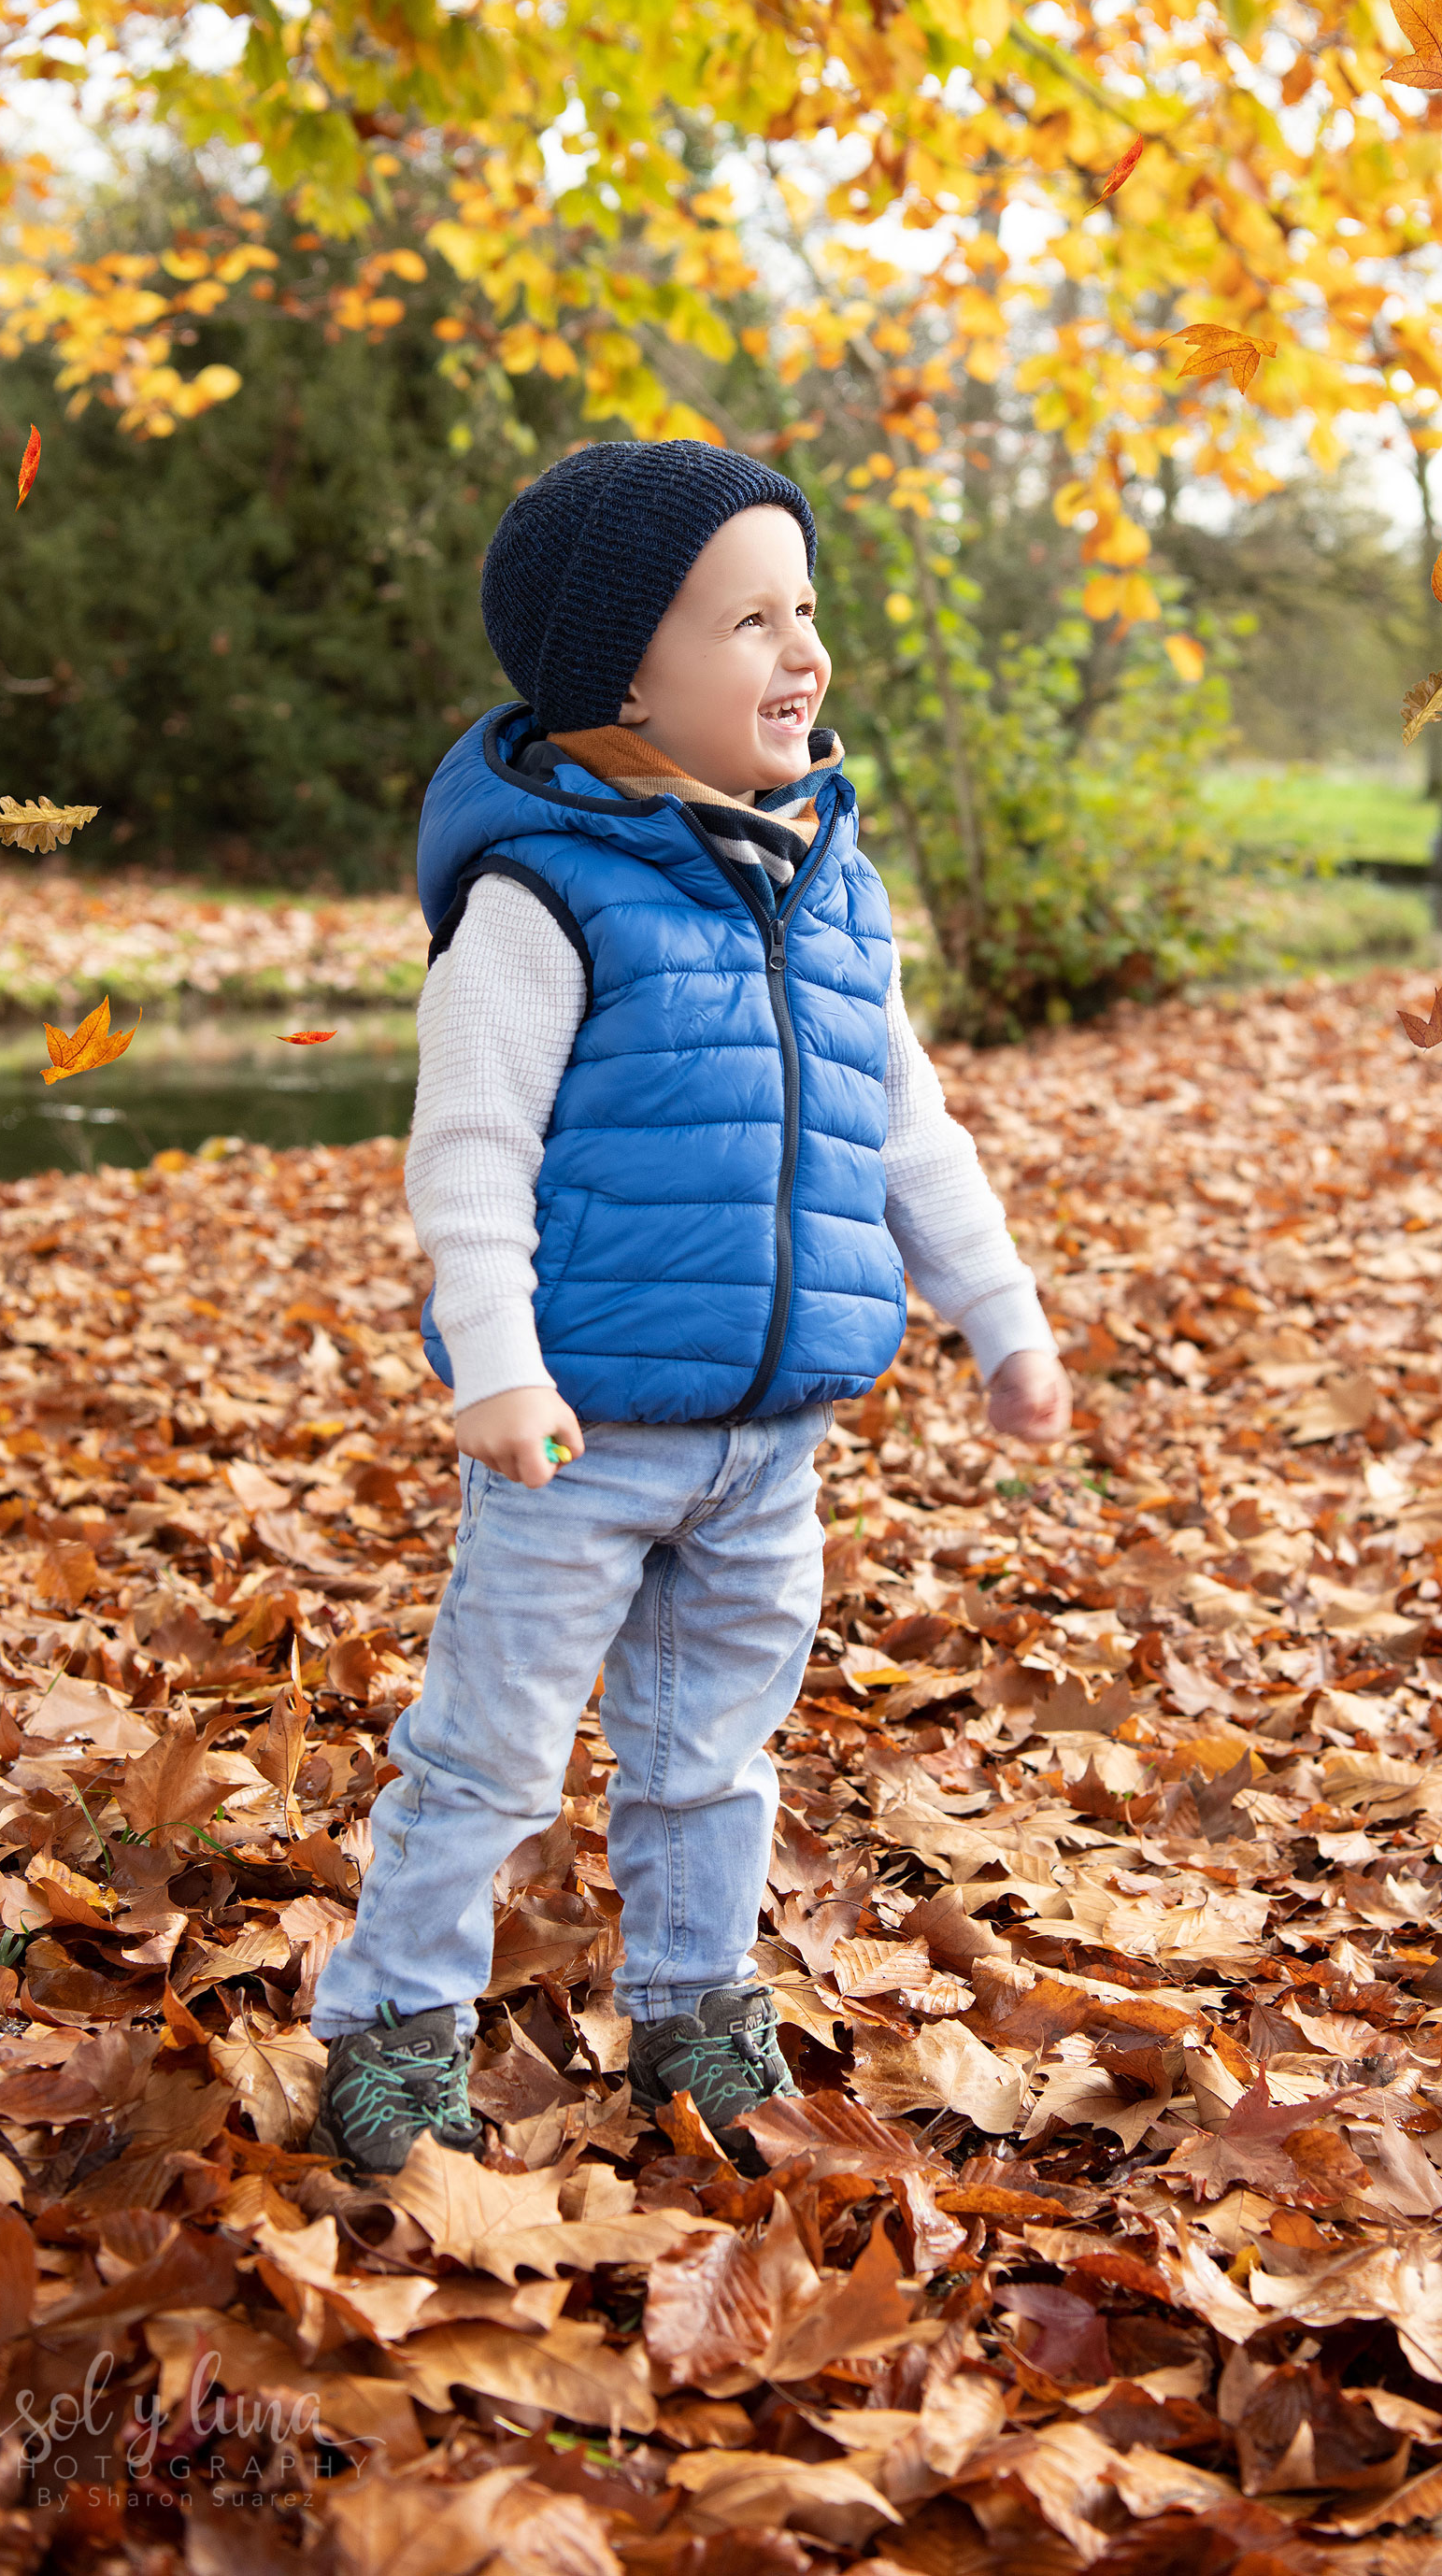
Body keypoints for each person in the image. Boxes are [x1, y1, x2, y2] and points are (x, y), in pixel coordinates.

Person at [309, 438, 1070, 2174]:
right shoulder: (541, 894)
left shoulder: (828, 885)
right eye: (748, 618)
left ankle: (695, 2005)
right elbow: (473, 1145)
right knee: (492, 1750)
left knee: (713, 1750)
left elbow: (909, 1127)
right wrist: (492, 1365)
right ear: (623, 673)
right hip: (574, 1439)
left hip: (766, 1445)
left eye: (805, 610)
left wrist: (1000, 1316)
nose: (801, 651)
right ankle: (399, 2016)